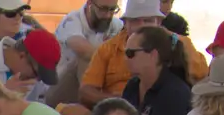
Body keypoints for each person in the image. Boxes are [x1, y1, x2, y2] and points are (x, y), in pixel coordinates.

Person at [78, 0, 206, 107]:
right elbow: (86, 90)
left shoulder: (179, 43)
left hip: (166, 107)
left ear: (159, 22)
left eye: (147, 20)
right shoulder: (108, 48)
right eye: (135, 20)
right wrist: (117, 100)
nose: (141, 26)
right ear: (125, 23)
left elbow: (203, 81)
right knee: (70, 110)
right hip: (117, 111)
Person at [51, 0, 121, 106]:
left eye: (112, 9)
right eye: (103, 9)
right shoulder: (72, 20)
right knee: (85, 59)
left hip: (94, 86)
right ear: (89, 4)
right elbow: (83, 50)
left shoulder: (116, 25)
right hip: (58, 88)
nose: (107, 15)